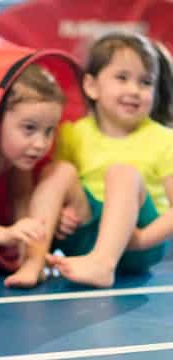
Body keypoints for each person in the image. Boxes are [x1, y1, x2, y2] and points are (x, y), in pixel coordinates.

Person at [45, 32, 173, 288]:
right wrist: (62, 214)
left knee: (122, 173)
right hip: (86, 234)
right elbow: (60, 188)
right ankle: (35, 258)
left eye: (146, 82)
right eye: (122, 78)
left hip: (137, 240)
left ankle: (103, 263)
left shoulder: (165, 139)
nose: (134, 90)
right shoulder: (73, 133)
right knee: (58, 171)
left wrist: (142, 238)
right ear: (91, 86)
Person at [0, 63, 67, 288]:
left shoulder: (17, 157)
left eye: (49, 131)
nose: (40, 144)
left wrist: (25, 250)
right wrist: (4, 234)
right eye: (29, 128)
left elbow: (21, 197)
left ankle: (33, 264)